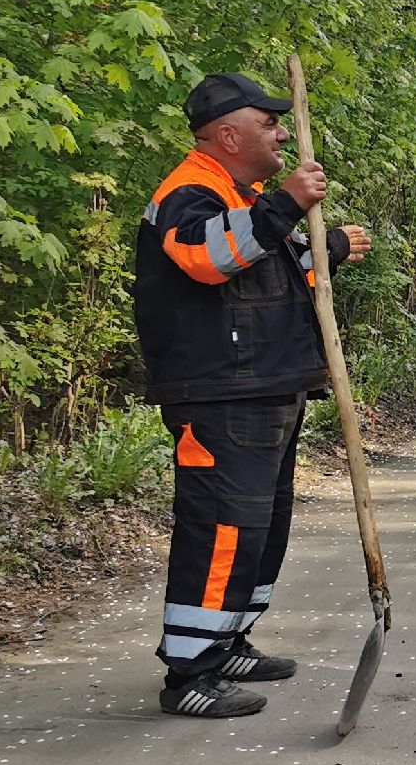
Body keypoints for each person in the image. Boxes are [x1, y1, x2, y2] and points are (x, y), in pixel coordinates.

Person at [133, 72, 369, 718]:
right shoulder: (189, 193)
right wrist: (286, 205)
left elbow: (280, 272)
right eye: (270, 123)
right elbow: (207, 260)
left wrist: (331, 246)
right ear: (229, 134)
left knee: (261, 530)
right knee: (224, 531)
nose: (284, 133)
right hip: (221, 394)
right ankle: (190, 671)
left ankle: (228, 637)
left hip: (266, 386)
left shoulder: (245, 195)